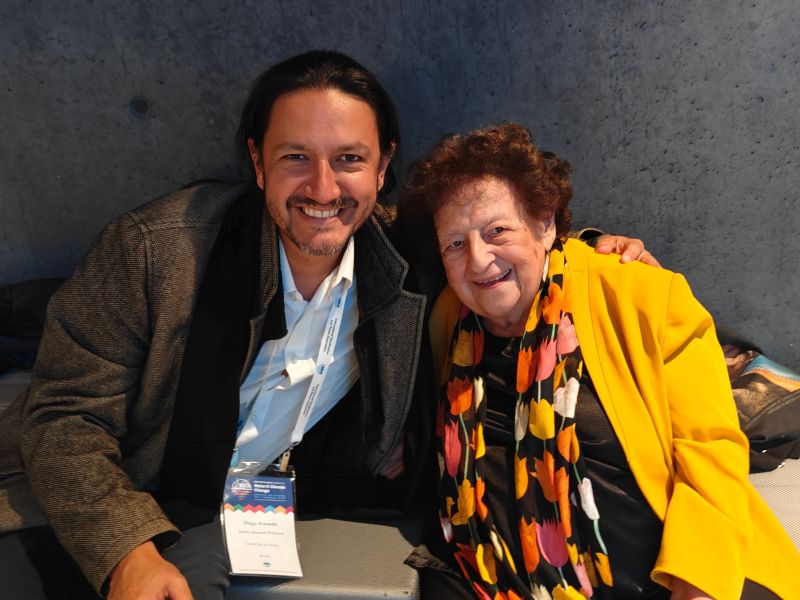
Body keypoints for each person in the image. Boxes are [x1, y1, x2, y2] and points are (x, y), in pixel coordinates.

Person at [0, 51, 651, 600]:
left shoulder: (402, 254)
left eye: (347, 159)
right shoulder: (155, 250)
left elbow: (498, 233)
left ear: (381, 166)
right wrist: (127, 550)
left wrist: (590, 247)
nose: (322, 187)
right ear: (256, 162)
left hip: (280, 497)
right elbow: (63, 415)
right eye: (294, 158)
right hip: (153, 495)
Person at [400, 123, 800, 599]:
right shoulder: (447, 320)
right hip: (494, 581)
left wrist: (696, 590)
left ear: (544, 224)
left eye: (498, 230)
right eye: (455, 244)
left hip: (678, 584)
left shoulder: (641, 297)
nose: (478, 259)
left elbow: (710, 453)